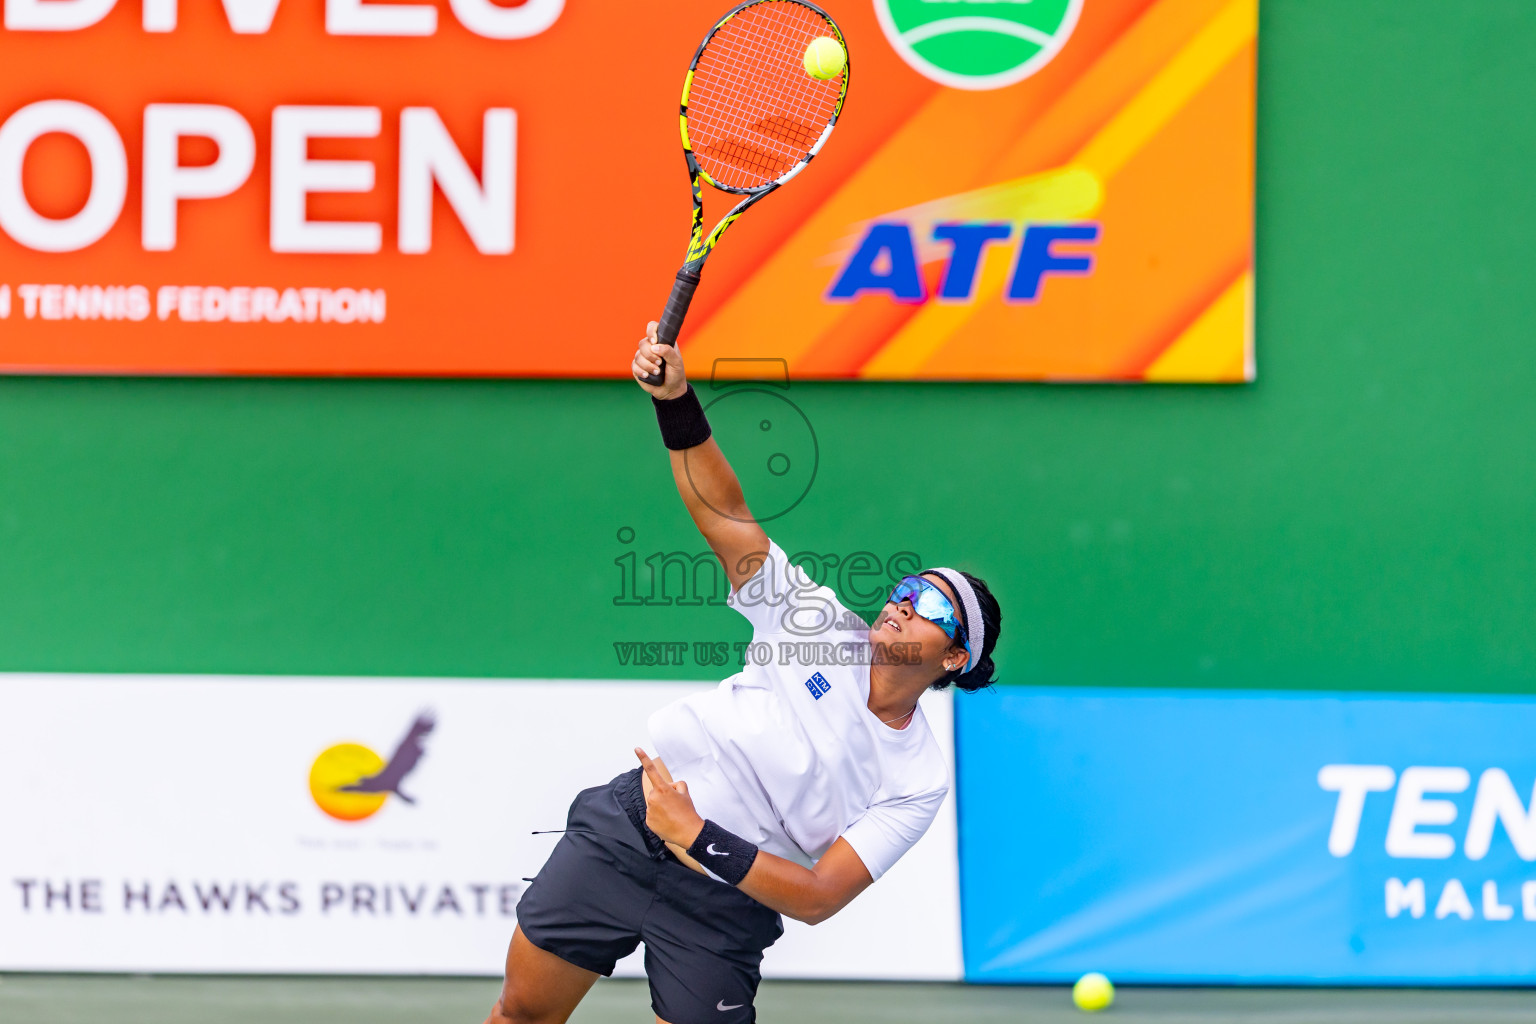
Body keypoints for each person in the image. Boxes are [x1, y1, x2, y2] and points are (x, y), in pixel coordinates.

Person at [484, 324, 1003, 1024]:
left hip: (727, 897)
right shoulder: (811, 620)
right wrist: (676, 402)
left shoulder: (917, 778)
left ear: (954, 657)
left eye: (934, 606)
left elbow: (820, 896)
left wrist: (696, 834)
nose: (905, 603)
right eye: (907, 588)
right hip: (628, 831)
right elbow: (725, 514)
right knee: (521, 1014)